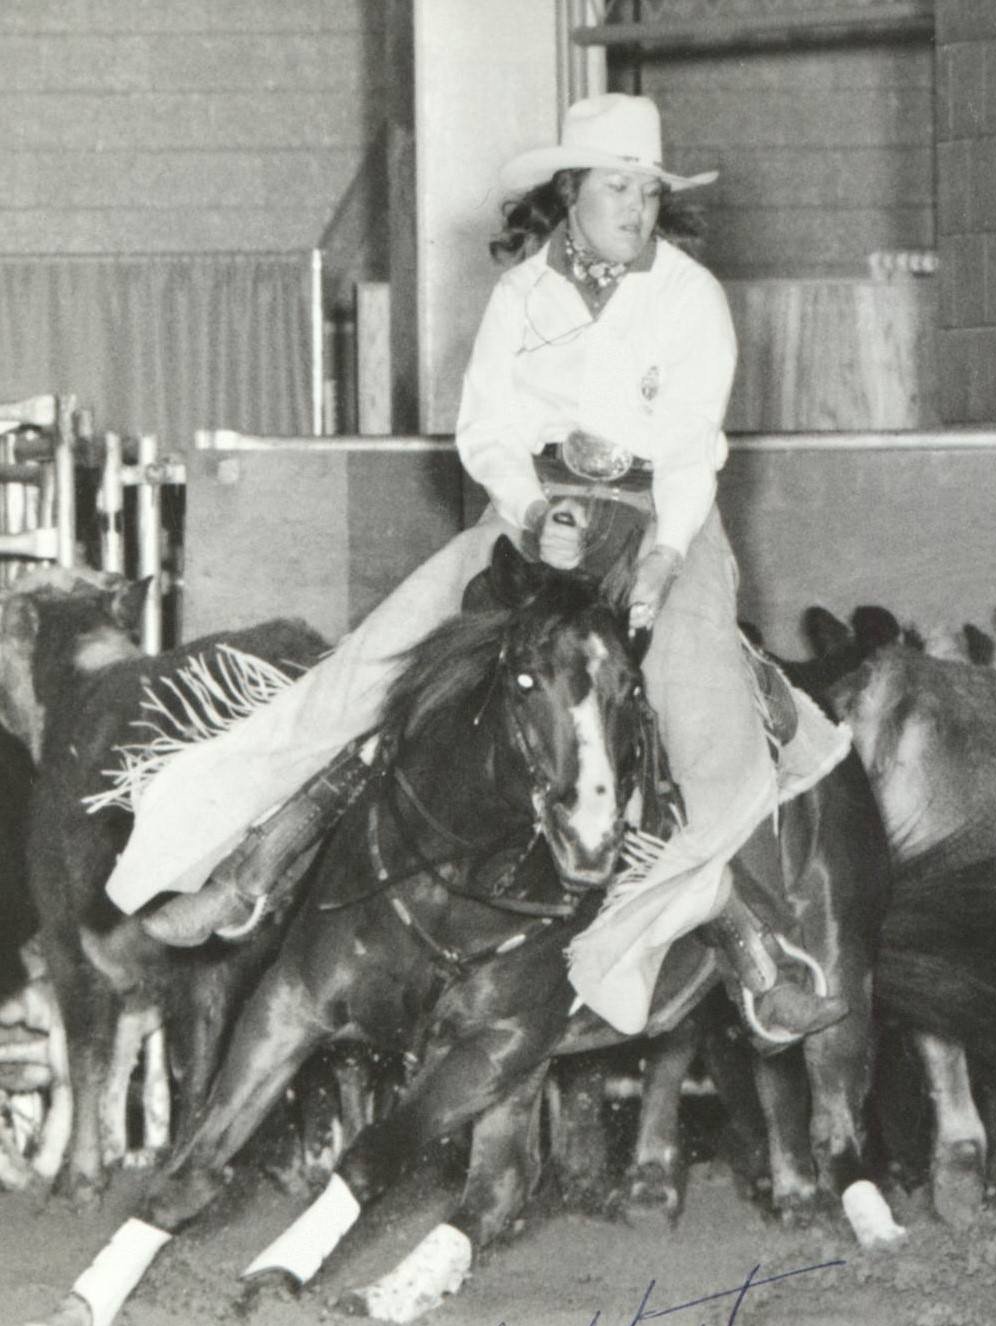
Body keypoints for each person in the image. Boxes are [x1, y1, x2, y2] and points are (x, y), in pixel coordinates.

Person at [110, 92, 854, 1046]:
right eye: (617, 187)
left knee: (707, 720)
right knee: (378, 665)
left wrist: (667, 554)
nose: (636, 208)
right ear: (571, 191)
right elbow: (487, 432)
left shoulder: (689, 296)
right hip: (538, 514)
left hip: (667, 520)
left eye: (647, 191)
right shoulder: (520, 296)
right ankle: (249, 870)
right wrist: (534, 510)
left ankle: (759, 955)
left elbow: (689, 448)